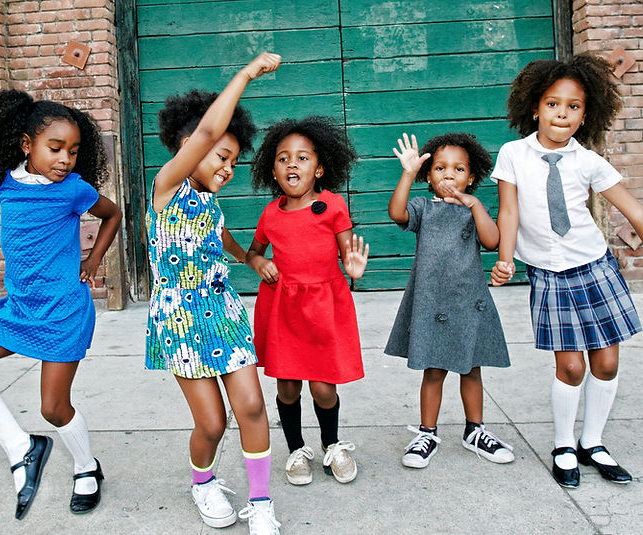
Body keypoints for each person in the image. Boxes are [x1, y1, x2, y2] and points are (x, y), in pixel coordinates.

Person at [490, 53, 643, 488]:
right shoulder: (513, 154)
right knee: (572, 367)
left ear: (585, 115)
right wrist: (505, 259)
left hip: (595, 268)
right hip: (549, 273)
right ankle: (563, 444)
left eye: (573, 106)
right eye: (553, 103)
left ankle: (592, 442)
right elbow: (508, 211)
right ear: (534, 107)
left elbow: (638, 213)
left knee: (607, 362)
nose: (562, 113)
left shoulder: (589, 162)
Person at [0, 89, 122, 518]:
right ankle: (23, 448)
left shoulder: (73, 190)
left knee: (54, 407)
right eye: (55, 148)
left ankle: (86, 467)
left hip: (62, 312)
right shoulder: (5, 182)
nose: (65, 159)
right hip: (19, 309)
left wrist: (94, 259)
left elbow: (113, 215)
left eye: (73, 151)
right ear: (26, 145)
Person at [145, 52, 282, 535]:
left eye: (232, 161)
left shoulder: (209, 203)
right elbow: (206, 133)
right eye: (221, 157)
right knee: (212, 424)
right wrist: (246, 74)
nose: (227, 168)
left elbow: (218, 237)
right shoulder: (166, 186)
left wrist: (250, 258)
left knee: (251, 407)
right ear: (188, 148)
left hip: (221, 310)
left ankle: (261, 503)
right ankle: (202, 482)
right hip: (179, 318)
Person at [246, 116, 368, 486]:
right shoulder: (271, 213)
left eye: (302, 158)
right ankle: (296, 448)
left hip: (324, 305)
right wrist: (260, 262)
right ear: (273, 170)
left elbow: (348, 253)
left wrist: (353, 266)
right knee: (287, 386)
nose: (292, 164)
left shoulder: (332, 206)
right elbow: (253, 252)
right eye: (283, 158)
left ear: (319, 168)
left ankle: (331, 444)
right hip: (283, 307)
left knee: (323, 387)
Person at [385, 132, 514, 469]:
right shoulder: (424, 208)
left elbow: (491, 240)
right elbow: (397, 213)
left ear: (471, 178)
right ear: (429, 176)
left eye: (458, 169)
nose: (448, 175)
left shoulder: (474, 209)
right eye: (440, 168)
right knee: (434, 370)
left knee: (471, 369)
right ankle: (427, 433)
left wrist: (474, 205)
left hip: (468, 301)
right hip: (432, 302)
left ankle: (475, 430)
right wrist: (408, 173)